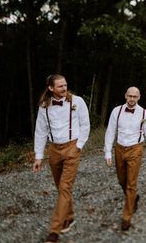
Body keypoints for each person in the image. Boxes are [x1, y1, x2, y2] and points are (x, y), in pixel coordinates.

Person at [33, 74, 90, 243]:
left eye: (65, 85)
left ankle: (54, 230)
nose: (64, 88)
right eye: (60, 86)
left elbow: (85, 124)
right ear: (51, 88)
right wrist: (38, 157)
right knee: (61, 187)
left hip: (72, 147)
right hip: (54, 150)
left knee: (65, 187)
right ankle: (70, 216)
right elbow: (40, 131)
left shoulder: (77, 101)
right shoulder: (44, 106)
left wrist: (79, 146)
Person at [104, 87, 146, 231]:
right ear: (125, 96)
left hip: (135, 149)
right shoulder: (117, 111)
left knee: (131, 183)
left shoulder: (145, 113)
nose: (132, 99)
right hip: (119, 148)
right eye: (129, 96)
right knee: (122, 180)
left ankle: (126, 216)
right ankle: (133, 197)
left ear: (139, 97)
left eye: (135, 96)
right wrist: (107, 152)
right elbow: (110, 131)